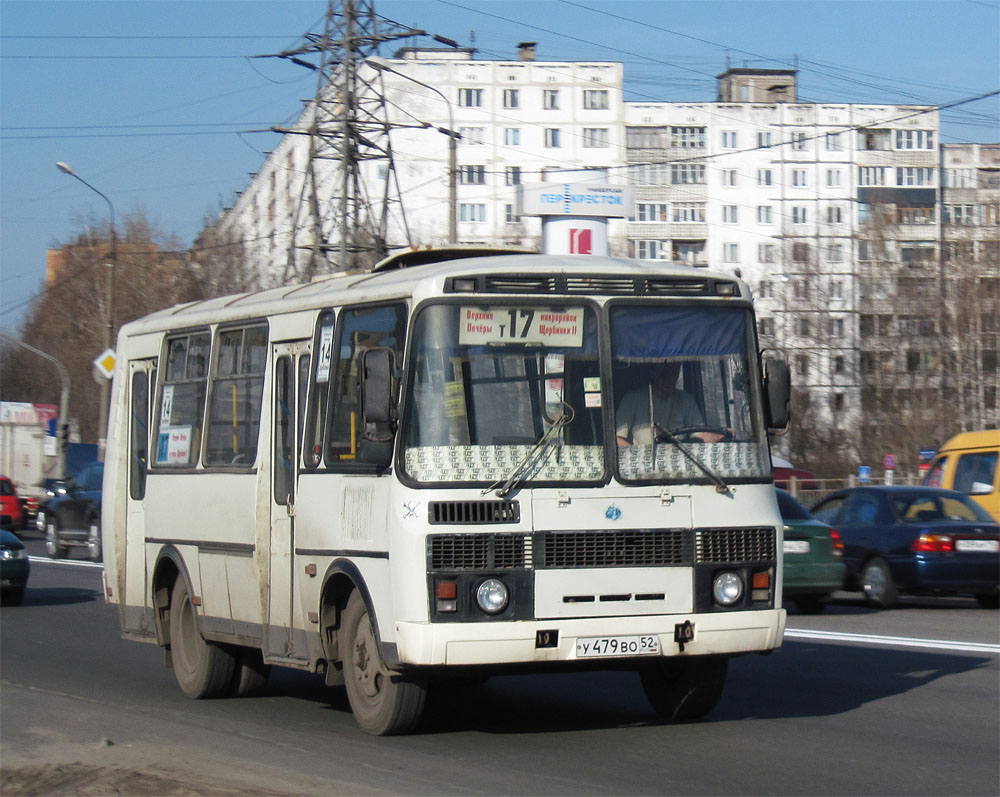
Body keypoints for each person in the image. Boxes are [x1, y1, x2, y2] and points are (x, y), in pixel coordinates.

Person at [615, 362, 723, 446]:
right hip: (643, 469)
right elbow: (617, 439)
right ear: (653, 373)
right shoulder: (632, 399)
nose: (670, 379)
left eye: (674, 374)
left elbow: (700, 436)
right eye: (664, 374)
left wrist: (719, 436)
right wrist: (638, 460)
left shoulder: (687, 400)